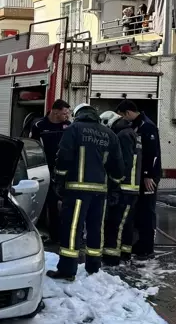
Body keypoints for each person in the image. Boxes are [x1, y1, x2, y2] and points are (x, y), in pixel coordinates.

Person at [47, 103, 124, 281]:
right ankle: (93, 267)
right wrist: (115, 186)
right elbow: (118, 166)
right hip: (100, 192)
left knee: (72, 229)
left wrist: (59, 180)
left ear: (78, 114)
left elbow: (63, 157)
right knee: (96, 229)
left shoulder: (74, 130)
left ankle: (67, 270)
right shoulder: (109, 134)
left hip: (76, 190)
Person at [116, 100, 161, 261]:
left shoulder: (147, 126)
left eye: (122, 115)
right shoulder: (136, 125)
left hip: (148, 176)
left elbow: (152, 153)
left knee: (147, 211)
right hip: (139, 175)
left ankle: (147, 247)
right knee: (139, 210)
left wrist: (148, 175)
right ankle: (139, 244)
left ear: (128, 112)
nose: (122, 119)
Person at [100, 111, 142, 266]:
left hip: (124, 187)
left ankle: (112, 257)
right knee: (126, 223)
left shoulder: (123, 136)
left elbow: (123, 163)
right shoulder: (132, 133)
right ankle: (125, 252)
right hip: (132, 187)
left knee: (115, 223)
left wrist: (115, 185)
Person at [30, 99, 72, 244]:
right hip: (45, 170)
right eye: (64, 113)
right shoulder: (39, 126)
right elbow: (32, 147)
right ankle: (53, 235)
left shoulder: (68, 126)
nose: (67, 116)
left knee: (65, 203)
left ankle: (64, 234)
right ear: (55, 111)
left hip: (64, 170)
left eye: (68, 113)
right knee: (50, 203)